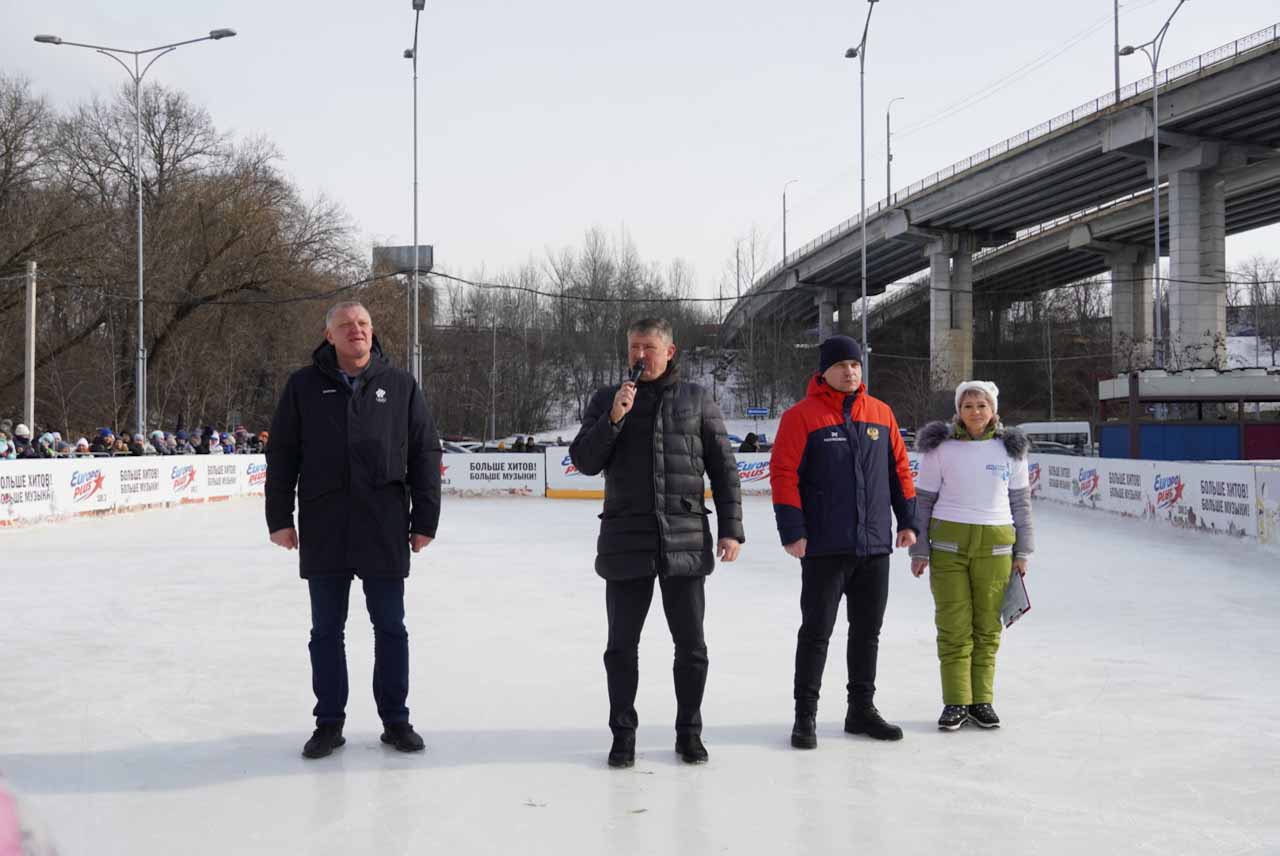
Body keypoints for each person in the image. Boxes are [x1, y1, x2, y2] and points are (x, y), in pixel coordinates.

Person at [266, 301, 442, 760]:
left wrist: (425, 520)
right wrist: (279, 518)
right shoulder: (303, 386)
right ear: (329, 336)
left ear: (372, 331)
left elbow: (425, 452)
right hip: (325, 525)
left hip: (384, 524)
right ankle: (328, 723)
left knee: (391, 628)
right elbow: (282, 455)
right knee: (326, 630)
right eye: (345, 325)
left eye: (362, 323)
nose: (355, 330)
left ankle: (396, 720)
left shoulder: (400, 385)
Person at [570, 317, 744, 769]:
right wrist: (614, 419)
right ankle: (622, 735)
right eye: (633, 347)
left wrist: (731, 528)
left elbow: (724, 468)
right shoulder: (606, 400)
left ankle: (689, 732)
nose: (639, 355)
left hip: (684, 539)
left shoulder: (696, 399)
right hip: (625, 540)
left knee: (691, 646)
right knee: (621, 647)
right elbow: (585, 461)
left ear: (670, 351)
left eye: (648, 346)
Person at [770, 335, 918, 749]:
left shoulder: (881, 414)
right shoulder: (801, 417)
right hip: (823, 547)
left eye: (855, 365)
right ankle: (806, 715)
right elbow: (783, 474)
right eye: (842, 366)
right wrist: (792, 530)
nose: (851, 372)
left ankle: (861, 710)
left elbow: (899, 471)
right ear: (824, 372)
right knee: (816, 631)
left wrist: (907, 520)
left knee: (867, 631)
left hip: (874, 547)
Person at [909, 381, 1034, 731]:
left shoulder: (1011, 450)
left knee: (987, 628)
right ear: (958, 411)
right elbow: (923, 502)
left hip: (996, 547)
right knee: (953, 627)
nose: (975, 411)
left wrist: (1023, 550)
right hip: (949, 546)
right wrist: (919, 549)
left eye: (982, 405)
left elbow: (1020, 504)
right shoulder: (941, 449)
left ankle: (982, 701)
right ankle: (955, 702)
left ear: (993, 409)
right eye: (968, 406)